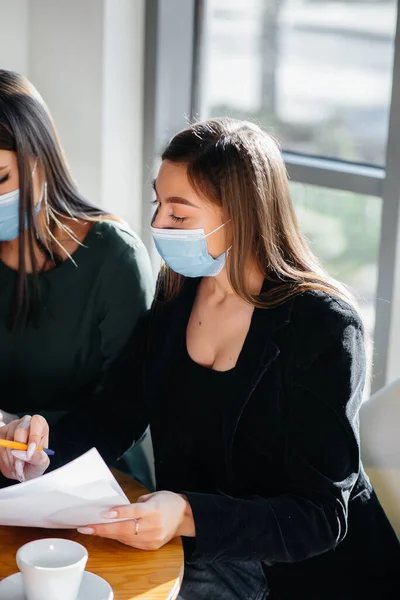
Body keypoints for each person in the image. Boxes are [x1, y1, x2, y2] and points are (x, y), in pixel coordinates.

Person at [1, 118, 399, 599]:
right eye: (158, 204)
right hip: (200, 551)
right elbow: (113, 416)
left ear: (242, 214)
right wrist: (41, 448)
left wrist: (187, 513)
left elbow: (320, 515)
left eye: (179, 214)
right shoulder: (177, 300)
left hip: (308, 575)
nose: (156, 226)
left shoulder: (324, 326)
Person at [0, 70, 153, 486]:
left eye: (0, 180)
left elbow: (128, 410)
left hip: (90, 476)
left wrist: (42, 453)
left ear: (40, 161)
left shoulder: (113, 257)